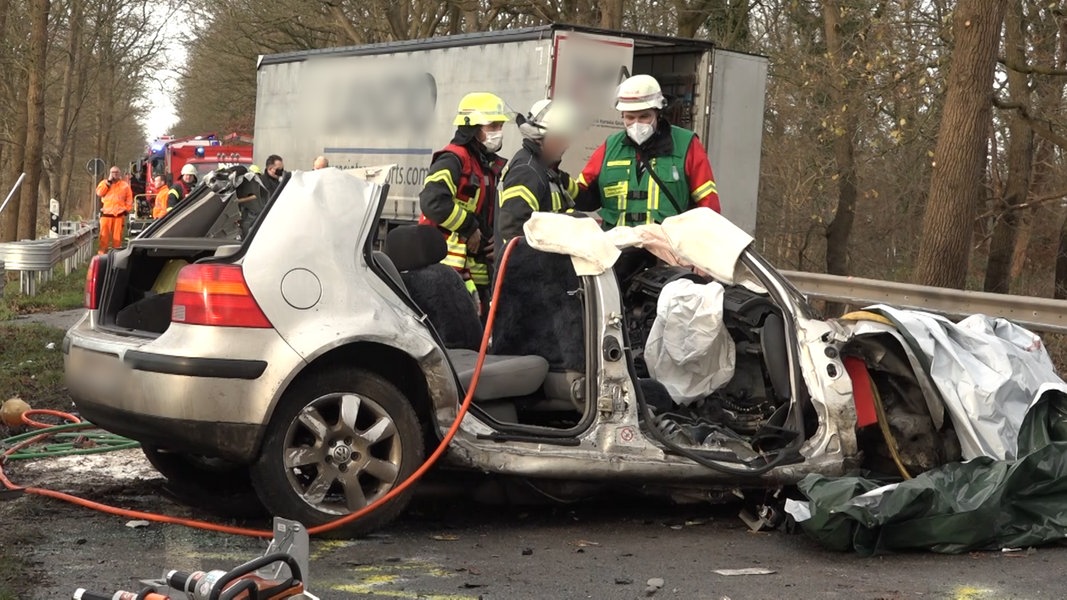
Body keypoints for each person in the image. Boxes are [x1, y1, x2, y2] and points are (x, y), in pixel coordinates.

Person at [576, 74, 720, 229]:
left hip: (664, 249)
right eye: (630, 117)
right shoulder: (610, 147)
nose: (636, 124)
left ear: (658, 112)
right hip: (617, 248)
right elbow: (581, 194)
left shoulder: (686, 145)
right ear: (622, 115)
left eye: (644, 116)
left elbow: (709, 206)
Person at [418, 92, 509, 312]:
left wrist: (491, 239)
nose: (498, 132)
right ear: (473, 127)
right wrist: (470, 228)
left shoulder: (483, 164)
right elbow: (432, 202)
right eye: (492, 126)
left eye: (500, 126)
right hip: (444, 270)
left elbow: (482, 212)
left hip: (472, 273)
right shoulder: (453, 160)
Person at [496, 98, 582, 245]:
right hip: (529, 267)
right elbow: (514, 230)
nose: (566, 144)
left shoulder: (547, 170)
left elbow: (584, 197)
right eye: (560, 138)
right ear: (539, 136)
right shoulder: (526, 172)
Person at [95, 166, 133, 254]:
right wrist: (108, 183)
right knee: (104, 238)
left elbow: (129, 199)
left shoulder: (125, 185)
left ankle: (116, 257)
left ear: (119, 174)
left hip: (119, 216)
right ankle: (101, 256)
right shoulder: (104, 183)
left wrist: (126, 210)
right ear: (109, 173)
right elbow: (99, 193)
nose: (114, 174)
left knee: (117, 239)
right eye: (112, 172)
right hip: (106, 215)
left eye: (116, 172)